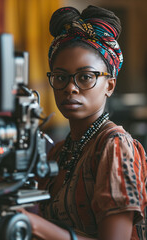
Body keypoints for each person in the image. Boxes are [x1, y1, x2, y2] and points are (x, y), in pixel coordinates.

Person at [20, 5, 147, 240]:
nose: (70, 87)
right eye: (60, 77)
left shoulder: (114, 146)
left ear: (109, 85)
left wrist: (33, 224)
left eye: (85, 77)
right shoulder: (59, 151)